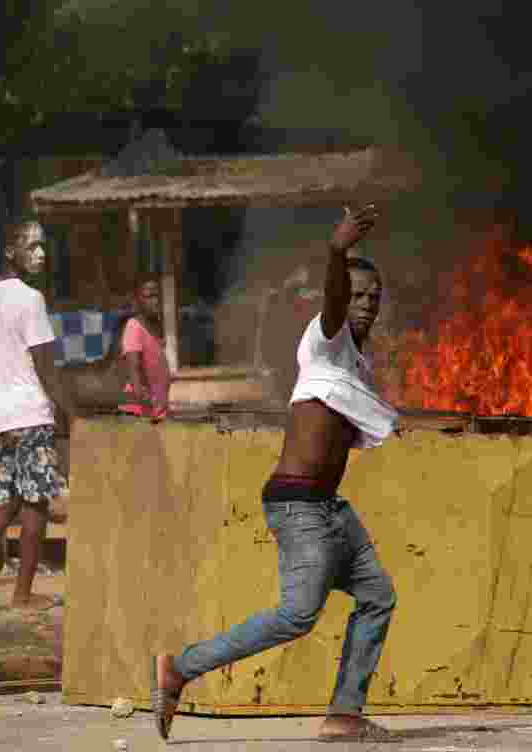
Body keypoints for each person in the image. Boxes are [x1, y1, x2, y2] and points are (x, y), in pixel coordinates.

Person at [151, 204, 399, 742]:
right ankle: (179, 669)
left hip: (330, 509)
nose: (365, 305)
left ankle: (344, 714)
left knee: (378, 596)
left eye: (373, 298)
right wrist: (337, 252)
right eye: (357, 295)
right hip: (299, 505)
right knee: (296, 617)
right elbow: (333, 301)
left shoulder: (357, 363)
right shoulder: (325, 339)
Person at [0, 219, 75, 613]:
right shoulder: (31, 298)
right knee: (36, 501)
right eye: (33, 246)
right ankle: (24, 594)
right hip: (29, 412)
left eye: (43, 246)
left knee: (3, 495)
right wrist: (74, 416)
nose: (41, 254)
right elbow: (46, 368)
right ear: (12, 252)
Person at [118, 276, 170, 421]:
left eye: (156, 296)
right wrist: (141, 394)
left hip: (156, 412)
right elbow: (133, 367)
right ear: (137, 301)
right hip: (138, 413)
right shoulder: (134, 326)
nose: (155, 301)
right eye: (148, 297)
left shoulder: (156, 326)